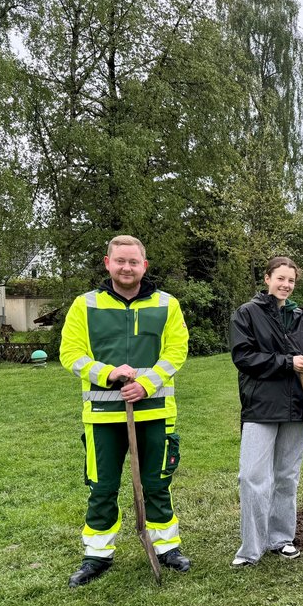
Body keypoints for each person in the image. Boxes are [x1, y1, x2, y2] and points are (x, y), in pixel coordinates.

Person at [60, 235, 190, 587]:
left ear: (144, 266)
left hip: (155, 411)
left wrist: (146, 384)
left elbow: (176, 351)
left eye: (133, 262)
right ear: (108, 263)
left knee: (157, 484)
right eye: (120, 261)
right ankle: (97, 555)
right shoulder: (85, 305)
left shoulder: (167, 304)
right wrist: (108, 373)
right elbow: (71, 354)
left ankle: (167, 547)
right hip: (103, 415)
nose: (126, 267)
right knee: (101, 487)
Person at [229, 256, 303, 568]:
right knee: (252, 477)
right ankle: (251, 548)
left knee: (286, 478)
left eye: (291, 280)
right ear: (267, 279)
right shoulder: (247, 313)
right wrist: (287, 362)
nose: (286, 285)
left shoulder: (301, 318)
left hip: (296, 409)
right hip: (260, 408)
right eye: (280, 278)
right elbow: (243, 357)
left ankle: (281, 539)